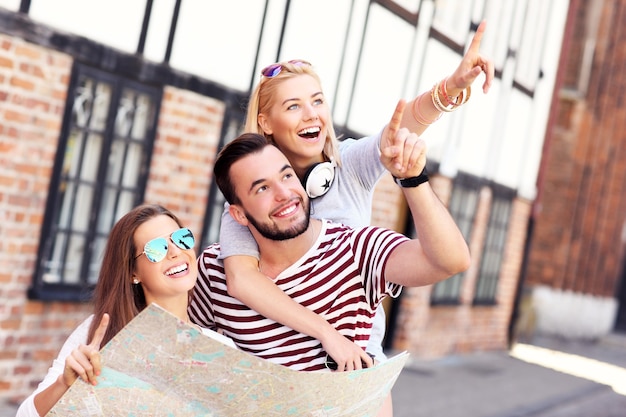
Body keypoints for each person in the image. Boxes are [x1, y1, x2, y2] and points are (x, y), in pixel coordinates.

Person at [208, 20, 492, 416]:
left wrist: (451, 87)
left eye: (317, 100)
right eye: (294, 106)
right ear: (266, 123)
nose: (312, 115)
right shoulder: (247, 205)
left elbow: (403, 125)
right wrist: (325, 333)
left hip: (355, 365)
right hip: (285, 371)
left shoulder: (349, 164)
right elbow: (241, 280)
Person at [189, 119, 471, 372]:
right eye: (262, 188)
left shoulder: (356, 250)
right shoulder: (215, 271)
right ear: (238, 213)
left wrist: (414, 180)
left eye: (287, 176)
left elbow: (450, 262)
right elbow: (184, 354)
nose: (284, 194)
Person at [16, 204, 234, 417]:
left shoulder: (222, 349)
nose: (176, 252)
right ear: (133, 273)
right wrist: (64, 384)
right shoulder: (99, 335)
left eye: (181, 238)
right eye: (157, 249)